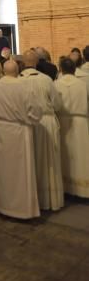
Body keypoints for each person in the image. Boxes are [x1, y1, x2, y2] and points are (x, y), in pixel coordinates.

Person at [0, 59, 43, 219]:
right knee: (21, 172)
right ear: (17, 70)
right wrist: (31, 122)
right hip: (20, 131)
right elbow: (35, 111)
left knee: (2, 170)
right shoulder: (24, 86)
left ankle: (2, 204)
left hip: (1, 131)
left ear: (4, 71)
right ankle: (22, 209)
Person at [19, 50, 64, 211]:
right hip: (47, 121)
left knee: (30, 162)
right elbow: (57, 103)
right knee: (48, 163)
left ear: (23, 63)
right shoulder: (46, 80)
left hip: (27, 124)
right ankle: (49, 200)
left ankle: (33, 200)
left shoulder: (18, 81)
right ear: (37, 62)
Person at [55, 58, 89, 198]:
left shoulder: (56, 84)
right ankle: (82, 190)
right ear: (74, 69)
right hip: (80, 122)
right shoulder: (82, 84)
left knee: (65, 156)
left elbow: (55, 104)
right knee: (81, 156)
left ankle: (66, 188)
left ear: (61, 69)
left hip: (63, 122)